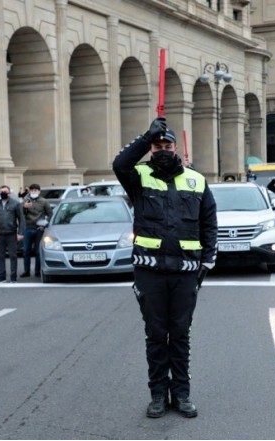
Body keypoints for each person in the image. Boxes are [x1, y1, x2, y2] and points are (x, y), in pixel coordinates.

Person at [113, 117, 218, 419]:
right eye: (157, 146)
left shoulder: (196, 180)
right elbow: (119, 163)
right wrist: (146, 136)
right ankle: (158, 394)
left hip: (186, 272)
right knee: (157, 335)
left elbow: (209, 222)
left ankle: (182, 394)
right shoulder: (139, 177)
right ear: (151, 149)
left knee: (181, 334)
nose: (162, 149)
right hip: (150, 271)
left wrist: (207, 261)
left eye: (166, 145)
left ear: (177, 148)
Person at [0, 185, 25, 283]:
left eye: (5, 191)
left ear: (9, 193)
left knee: (13, 256)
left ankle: (13, 277)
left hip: (11, 233)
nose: (3, 193)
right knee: (0, 256)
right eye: (1, 191)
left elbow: (21, 219)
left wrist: (20, 233)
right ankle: (2, 276)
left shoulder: (15, 203)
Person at [21, 183, 52, 278]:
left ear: (39, 191)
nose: (34, 192)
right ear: (29, 191)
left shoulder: (44, 201)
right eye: (32, 190)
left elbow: (50, 214)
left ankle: (37, 271)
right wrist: (24, 207)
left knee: (38, 251)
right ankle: (26, 271)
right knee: (26, 250)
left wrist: (45, 225)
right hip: (28, 227)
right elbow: (20, 215)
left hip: (39, 228)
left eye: (36, 190)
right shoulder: (25, 201)